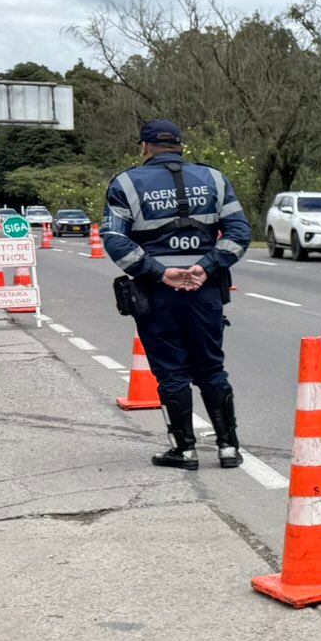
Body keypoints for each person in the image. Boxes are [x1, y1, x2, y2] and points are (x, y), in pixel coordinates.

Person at [99, 119, 251, 469]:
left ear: (145, 147)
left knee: (171, 372)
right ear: (180, 146)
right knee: (212, 368)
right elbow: (240, 232)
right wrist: (206, 266)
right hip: (206, 291)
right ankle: (229, 448)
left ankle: (185, 450)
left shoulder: (126, 183)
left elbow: (115, 239)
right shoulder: (214, 179)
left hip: (157, 295)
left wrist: (160, 272)